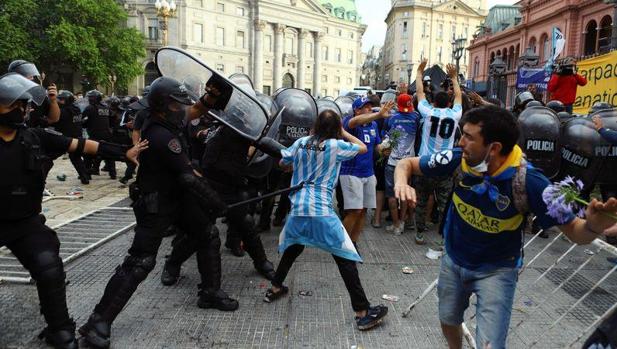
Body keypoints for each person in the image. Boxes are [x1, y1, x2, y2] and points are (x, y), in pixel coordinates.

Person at [394, 104, 617, 349]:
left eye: (468, 137)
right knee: (448, 321)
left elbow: (577, 232)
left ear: (494, 148)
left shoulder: (533, 183)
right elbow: (407, 164)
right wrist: (402, 183)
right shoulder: (460, 160)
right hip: (453, 261)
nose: (460, 143)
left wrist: (594, 226)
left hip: (497, 272)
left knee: (490, 345)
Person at [79, 77, 238, 349]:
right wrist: (218, 204)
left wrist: (211, 94)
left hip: (177, 197)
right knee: (140, 261)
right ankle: (98, 322)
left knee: (207, 234)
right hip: (157, 203)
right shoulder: (161, 135)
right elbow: (188, 177)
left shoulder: (168, 119)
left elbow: (196, 110)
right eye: (178, 104)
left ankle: (209, 292)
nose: (183, 109)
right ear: (165, 106)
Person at [0, 73, 144, 349]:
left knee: (49, 268)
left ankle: (60, 330)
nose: (20, 109)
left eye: (23, 104)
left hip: (25, 223)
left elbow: (82, 145)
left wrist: (124, 153)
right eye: (13, 104)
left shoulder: (35, 137)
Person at [264, 109, 389, 331]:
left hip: (298, 207)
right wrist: (344, 132)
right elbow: (362, 147)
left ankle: (275, 287)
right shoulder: (336, 146)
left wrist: (299, 165)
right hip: (321, 210)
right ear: (336, 129)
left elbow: (283, 163)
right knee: (345, 256)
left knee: (294, 247)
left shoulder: (301, 142)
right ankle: (362, 312)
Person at [413, 59, 463, 245]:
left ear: (433, 102)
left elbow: (419, 93)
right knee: (444, 205)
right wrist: (454, 78)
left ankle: (419, 234)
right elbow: (458, 97)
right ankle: (443, 237)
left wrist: (419, 73)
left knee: (421, 201)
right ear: (449, 103)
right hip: (445, 165)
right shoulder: (455, 114)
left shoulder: (427, 112)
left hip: (425, 164)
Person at [339, 96, 394, 248]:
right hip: (351, 173)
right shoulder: (349, 123)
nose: (370, 108)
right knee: (354, 211)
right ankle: (342, 244)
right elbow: (356, 122)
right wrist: (379, 114)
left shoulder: (374, 125)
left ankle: (354, 243)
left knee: (363, 210)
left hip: (368, 173)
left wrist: (384, 150)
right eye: (366, 106)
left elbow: (376, 147)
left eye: (371, 106)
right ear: (357, 110)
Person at [381, 93, 420, 235]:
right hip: (408, 164)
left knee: (392, 195)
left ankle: (396, 224)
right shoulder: (416, 118)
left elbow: (384, 136)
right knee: (404, 192)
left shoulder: (392, 118)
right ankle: (402, 222)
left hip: (392, 162)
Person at [8, 60, 60, 127]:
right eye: (28, 75)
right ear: (15, 76)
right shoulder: (5, 95)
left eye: (32, 75)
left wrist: (53, 101)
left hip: (32, 135)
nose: (32, 78)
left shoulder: (38, 95)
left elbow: (54, 119)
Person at [55, 90, 89, 184]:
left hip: (66, 139)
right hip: (77, 137)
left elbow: (56, 123)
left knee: (48, 157)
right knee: (76, 158)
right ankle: (85, 176)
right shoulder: (76, 109)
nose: (59, 101)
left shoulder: (64, 111)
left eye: (61, 100)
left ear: (67, 100)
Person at [82, 90, 115, 178]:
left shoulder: (90, 108)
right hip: (107, 134)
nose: (89, 99)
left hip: (95, 134)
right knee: (109, 154)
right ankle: (113, 174)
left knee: (88, 154)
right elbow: (112, 118)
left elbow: (82, 119)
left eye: (91, 97)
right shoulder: (106, 107)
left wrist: (85, 124)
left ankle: (87, 174)